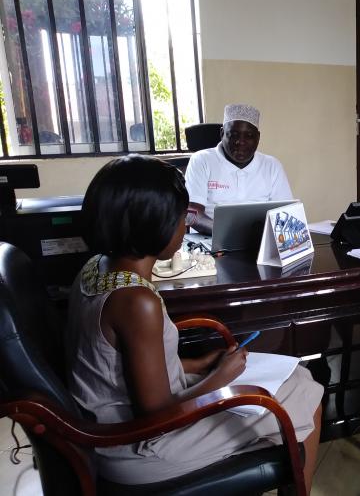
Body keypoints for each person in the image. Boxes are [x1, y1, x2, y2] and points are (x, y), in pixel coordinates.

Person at [65, 155, 322, 493]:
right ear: (154, 223)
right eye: (182, 217)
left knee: (297, 379)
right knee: (305, 392)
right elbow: (155, 412)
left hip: (113, 420)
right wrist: (219, 380)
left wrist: (198, 363)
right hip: (141, 445)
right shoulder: (136, 301)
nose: (186, 226)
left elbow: (124, 364)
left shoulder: (96, 269)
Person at [185, 103, 293, 234]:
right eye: (234, 134)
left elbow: (285, 214)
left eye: (249, 136)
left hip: (257, 243)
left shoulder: (272, 166)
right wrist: (228, 234)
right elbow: (191, 214)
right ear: (222, 133)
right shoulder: (202, 160)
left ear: (258, 138)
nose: (240, 142)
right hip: (208, 242)